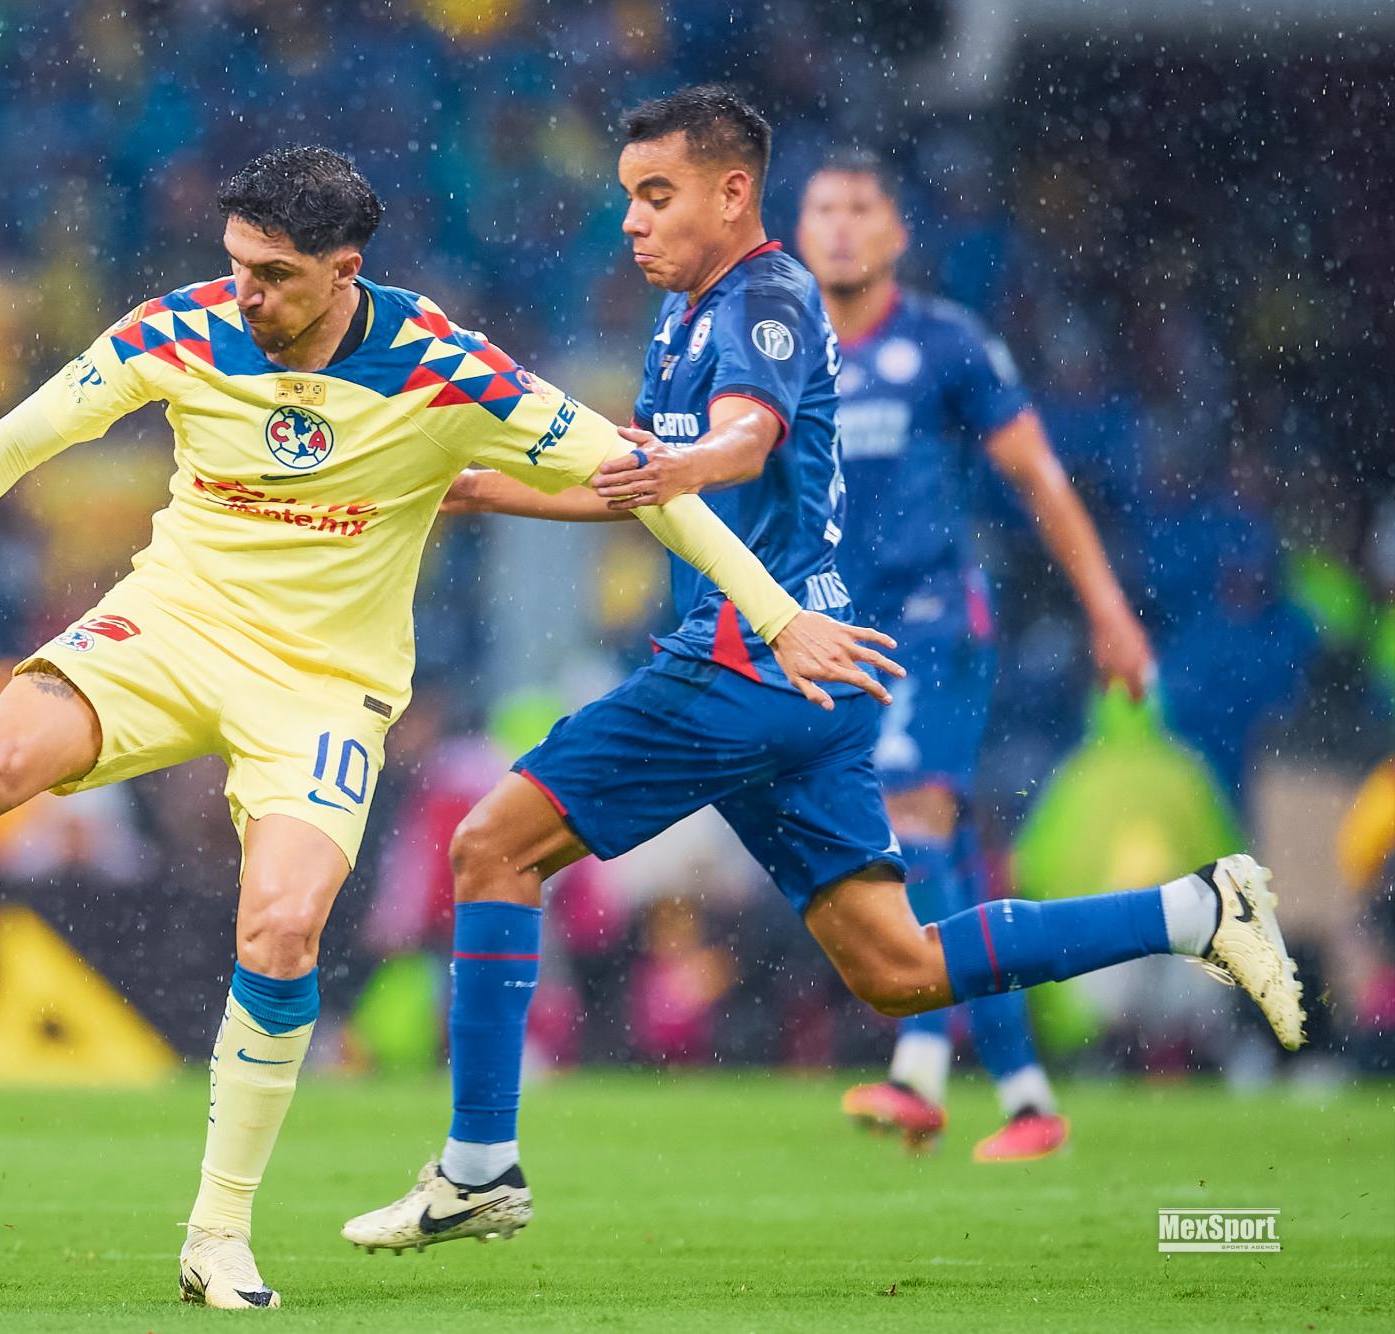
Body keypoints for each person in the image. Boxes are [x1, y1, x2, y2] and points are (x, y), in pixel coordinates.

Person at [0, 145, 890, 1310]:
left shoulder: (448, 366)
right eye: (232, 266)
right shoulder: (182, 328)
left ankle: (216, 1233)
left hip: (324, 686)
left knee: (280, 922)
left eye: (271, 277)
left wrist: (775, 616)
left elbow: (641, 482)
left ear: (344, 272)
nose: (242, 296)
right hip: (171, 626)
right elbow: (15, 437)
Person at [341, 85, 1302, 1255]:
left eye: (655, 195)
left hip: (742, 666)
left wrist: (684, 458)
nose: (632, 222)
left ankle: (478, 1166)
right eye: (625, 200)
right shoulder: (685, 314)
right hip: (801, 680)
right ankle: (1196, 906)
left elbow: (742, 438)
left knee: (490, 846)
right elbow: (646, 483)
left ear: (731, 191)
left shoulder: (764, 296)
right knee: (898, 967)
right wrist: (470, 489)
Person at [797, 148, 1156, 1162]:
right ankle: (1025, 1094)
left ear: (894, 232)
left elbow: (1037, 475)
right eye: (821, 208)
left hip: (932, 621)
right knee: (932, 849)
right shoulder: (783, 351)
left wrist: (1105, 609)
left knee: (911, 818)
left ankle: (919, 1066)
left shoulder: (944, 344)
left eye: (859, 208)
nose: (838, 226)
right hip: (833, 636)